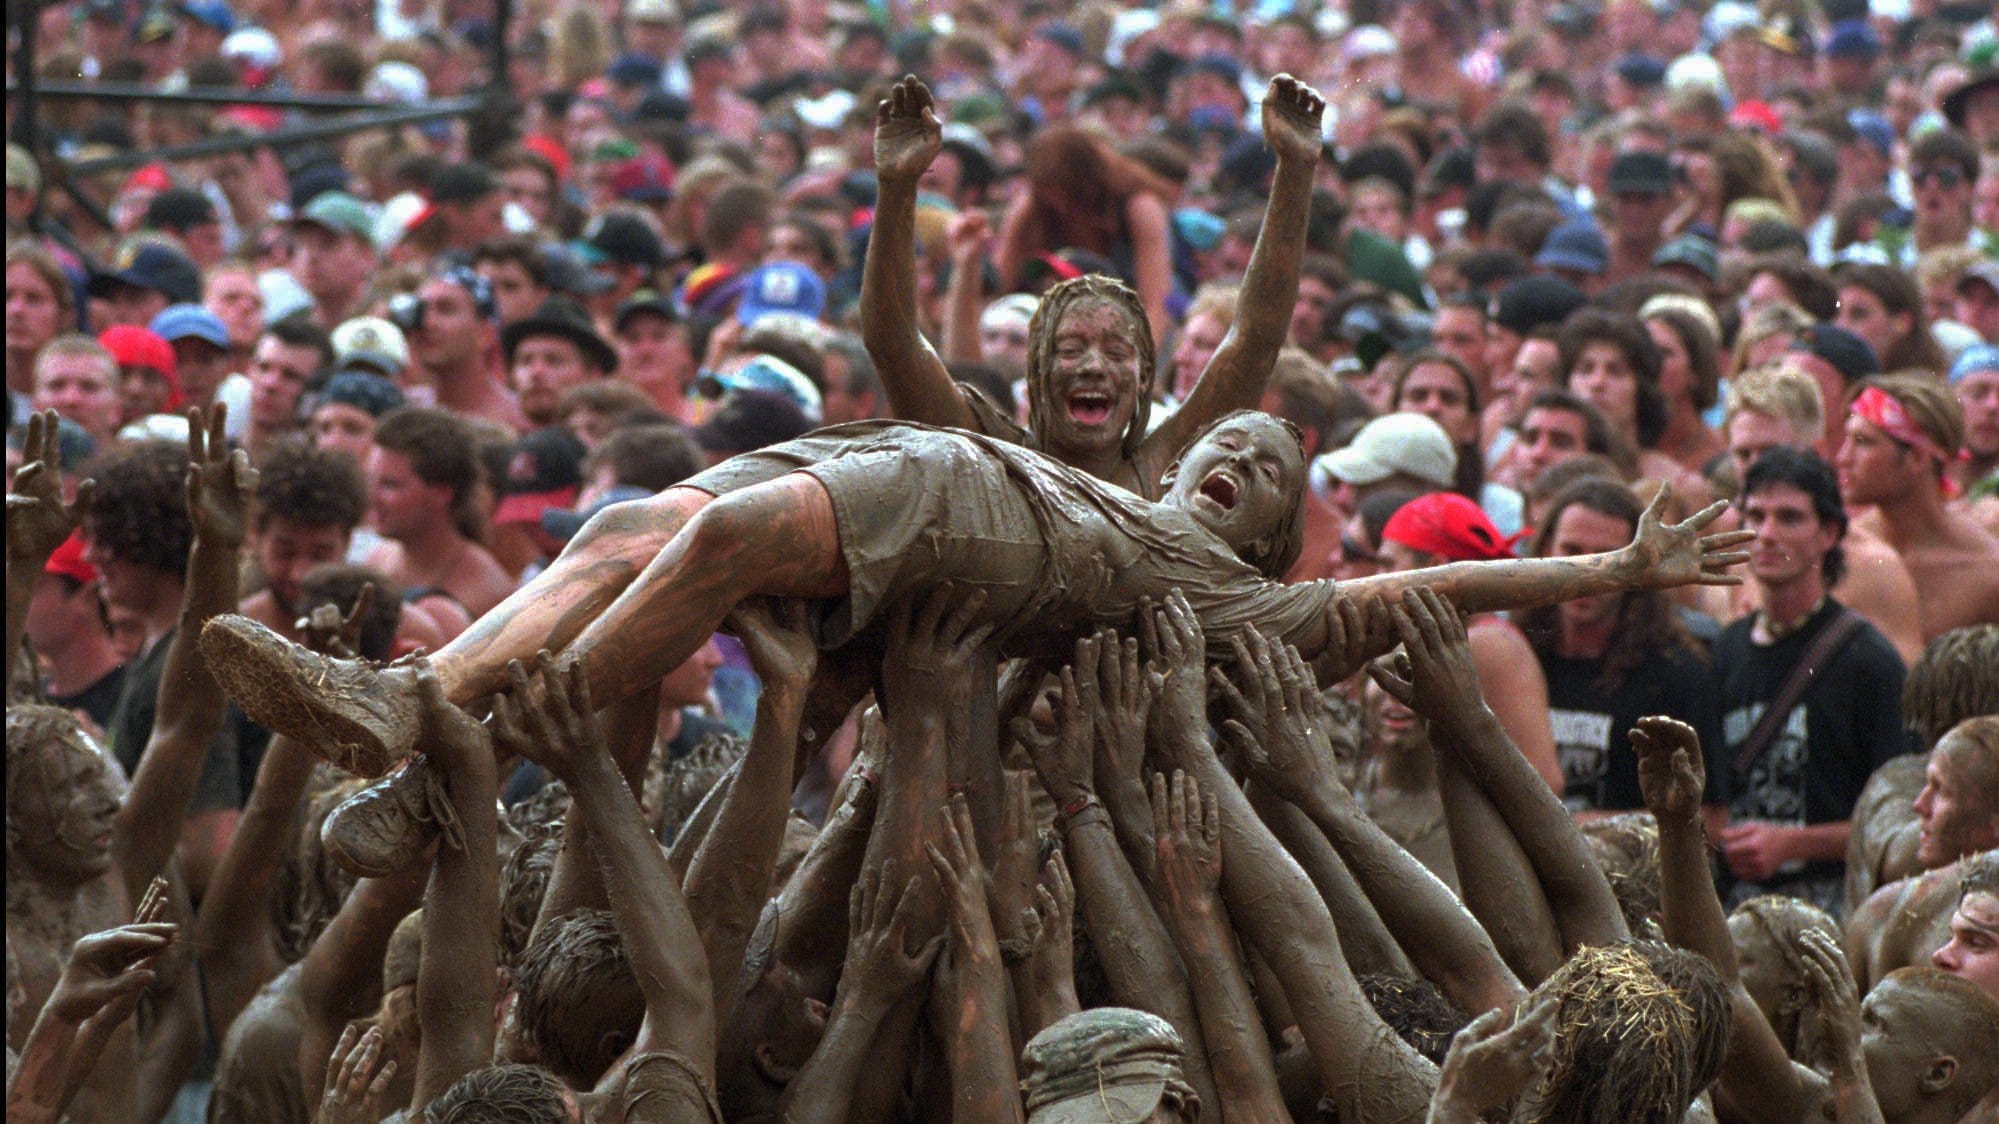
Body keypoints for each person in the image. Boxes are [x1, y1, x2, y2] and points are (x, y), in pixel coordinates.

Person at [202, 409, 1750, 799]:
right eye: (1223, 441)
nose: (1238, 456)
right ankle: (407, 706)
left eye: (1267, 470)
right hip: (917, 458)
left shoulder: (1239, 600)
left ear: (1275, 532)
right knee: (628, 519)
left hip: (975, 530)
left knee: (718, 538)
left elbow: (1435, 579)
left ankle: (460, 741)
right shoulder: (1115, 475)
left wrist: (1607, 569)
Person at [1715, 448, 1908, 913]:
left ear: (1829, 533)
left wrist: (1793, 844)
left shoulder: (1869, 661)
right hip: (1735, 907)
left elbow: (1900, 820)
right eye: (1755, 516)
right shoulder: (1725, 650)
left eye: (1789, 517)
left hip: (1831, 907)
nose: (1767, 534)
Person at [1520, 478, 1726, 821]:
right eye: (1571, 551)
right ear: (1545, 550)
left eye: (1607, 556)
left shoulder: (1675, 674)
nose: (1587, 570)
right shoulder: (1516, 658)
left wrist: (1588, 829)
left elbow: (1710, 816)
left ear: (1637, 566)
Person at [1838, 374, 1999, 640]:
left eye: (1863, 442)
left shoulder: (1985, 571)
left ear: (1917, 457)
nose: (1843, 458)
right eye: (1847, 440)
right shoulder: (1838, 552)